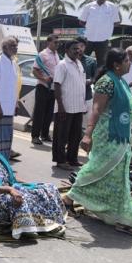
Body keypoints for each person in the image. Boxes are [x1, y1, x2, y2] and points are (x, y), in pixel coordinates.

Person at [66, 48, 132, 237]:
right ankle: (71, 198)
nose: (129, 63)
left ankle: (112, 213)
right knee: (98, 168)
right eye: (126, 60)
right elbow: (96, 109)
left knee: (116, 177)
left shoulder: (122, 82)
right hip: (107, 137)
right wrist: (87, 134)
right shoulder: (106, 82)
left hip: (121, 137)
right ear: (116, 64)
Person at [0, 133, 66, 239]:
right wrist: (9, 189)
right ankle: (25, 227)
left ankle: (50, 221)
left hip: (5, 193)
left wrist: (29, 186)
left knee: (47, 188)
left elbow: (9, 179)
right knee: (15, 197)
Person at [52, 40, 86, 171]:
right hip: (65, 107)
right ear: (67, 51)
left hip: (78, 106)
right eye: (74, 49)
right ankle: (60, 160)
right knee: (61, 135)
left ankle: (72, 159)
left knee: (75, 135)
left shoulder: (79, 64)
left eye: (78, 48)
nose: (77, 51)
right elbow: (57, 85)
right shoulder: (62, 65)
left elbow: (81, 84)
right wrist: (60, 106)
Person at [79, 0, 121, 67]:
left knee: (101, 63)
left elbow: (116, 22)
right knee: (82, 60)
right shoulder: (89, 7)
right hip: (88, 38)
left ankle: (98, 79)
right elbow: (82, 21)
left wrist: (106, 27)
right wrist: (91, 26)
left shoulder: (112, 7)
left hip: (103, 40)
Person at [31, 34, 60, 145]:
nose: (57, 44)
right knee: (39, 113)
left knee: (49, 113)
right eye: (55, 42)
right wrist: (44, 79)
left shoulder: (57, 55)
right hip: (43, 87)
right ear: (49, 43)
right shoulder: (43, 55)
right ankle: (35, 136)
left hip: (53, 89)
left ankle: (45, 134)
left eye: (58, 43)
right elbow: (34, 71)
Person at [76, 36, 98, 126]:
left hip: (87, 95)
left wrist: (90, 81)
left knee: (87, 122)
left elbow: (95, 77)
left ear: (85, 47)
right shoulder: (70, 60)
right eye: (77, 46)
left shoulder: (91, 61)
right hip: (72, 96)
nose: (79, 48)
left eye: (82, 46)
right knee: (74, 121)